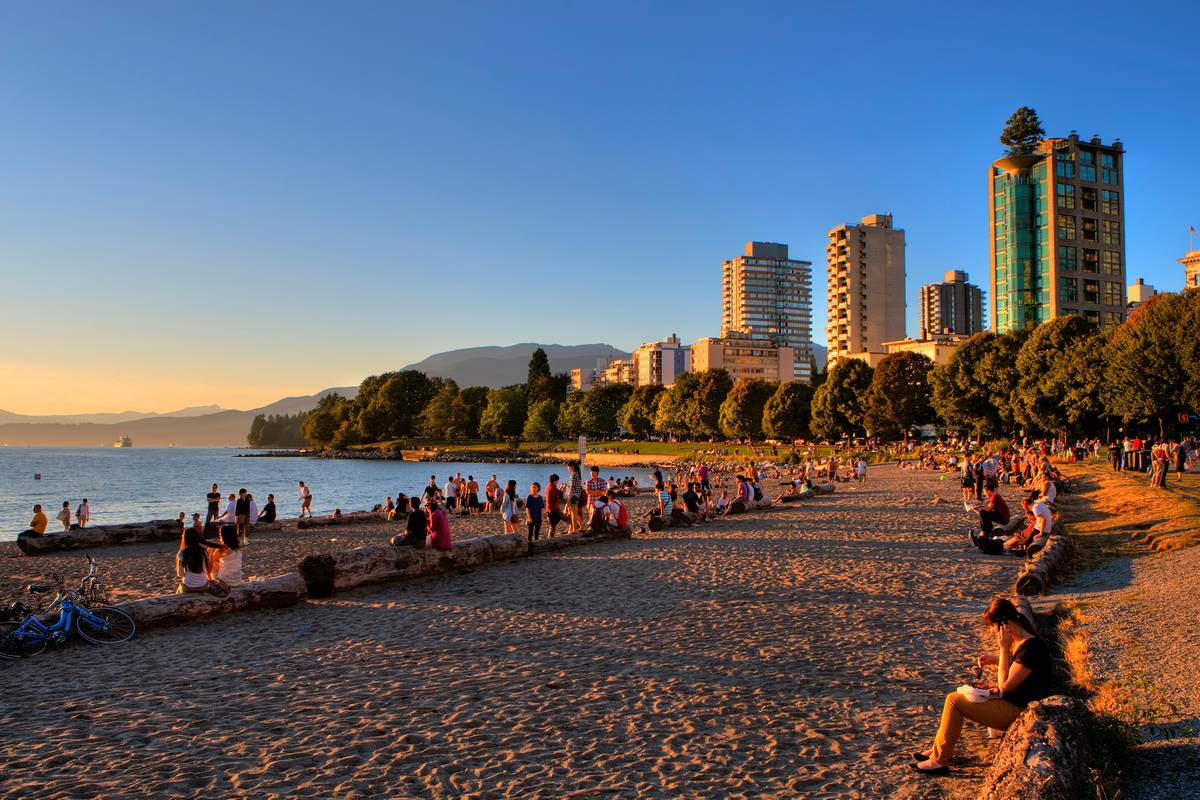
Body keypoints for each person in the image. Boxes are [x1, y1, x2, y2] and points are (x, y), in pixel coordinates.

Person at [912, 597, 1053, 774]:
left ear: (1003, 624)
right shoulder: (1023, 642)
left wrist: (1003, 649)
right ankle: (938, 750)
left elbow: (1005, 685)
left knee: (954, 701)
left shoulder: (1031, 649)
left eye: (993, 627)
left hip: (1022, 712)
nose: (994, 633)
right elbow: (1016, 668)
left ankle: (939, 760)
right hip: (1015, 704)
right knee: (957, 698)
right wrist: (995, 660)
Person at [176, 529, 225, 595]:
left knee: (180, 588)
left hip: (188, 587)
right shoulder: (204, 552)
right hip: (203, 586)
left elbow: (180, 574)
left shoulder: (182, 553)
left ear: (186, 539)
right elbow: (208, 570)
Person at [566, 461, 585, 533]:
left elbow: (572, 489)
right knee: (575, 513)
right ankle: (581, 527)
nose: (568, 469)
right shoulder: (578, 474)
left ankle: (574, 529)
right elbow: (576, 487)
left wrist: (568, 498)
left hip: (573, 496)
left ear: (572, 467)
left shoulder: (573, 475)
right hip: (577, 495)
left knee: (573, 514)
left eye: (568, 467)